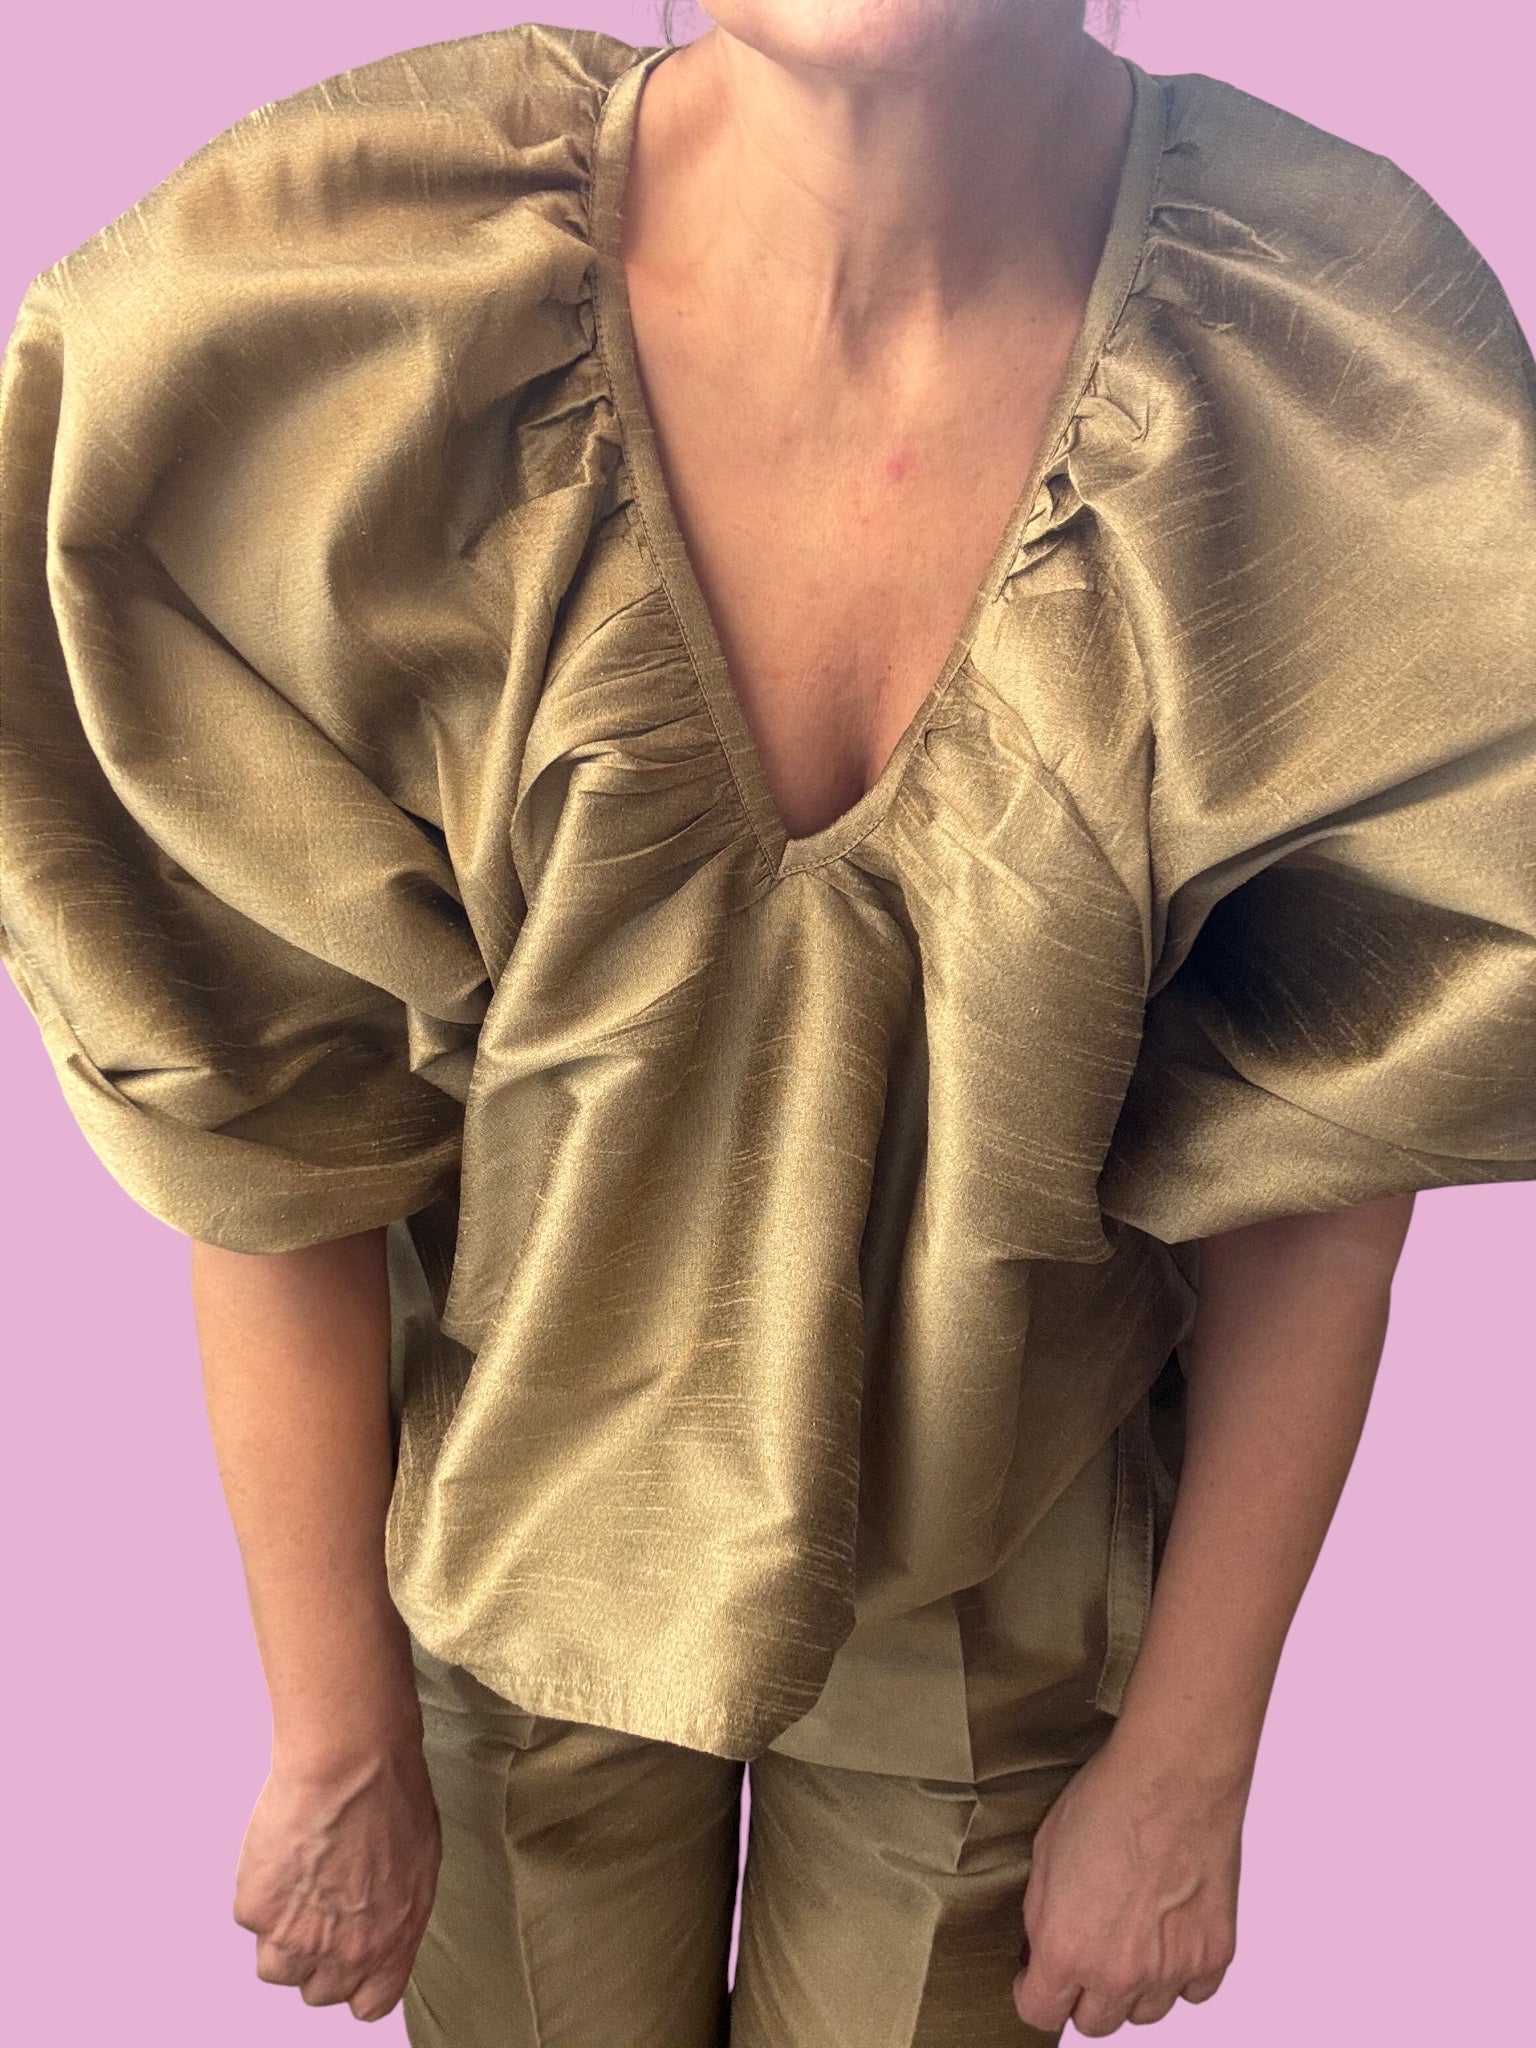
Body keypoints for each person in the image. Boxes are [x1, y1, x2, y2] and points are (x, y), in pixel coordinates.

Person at [0, 2, 1530, 2041]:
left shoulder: (1336, 362)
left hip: (1011, 1562)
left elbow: (1332, 1143)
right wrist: (335, 1718)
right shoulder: (337, 309)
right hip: (502, 1533)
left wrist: (1189, 1755)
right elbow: (265, 1105)